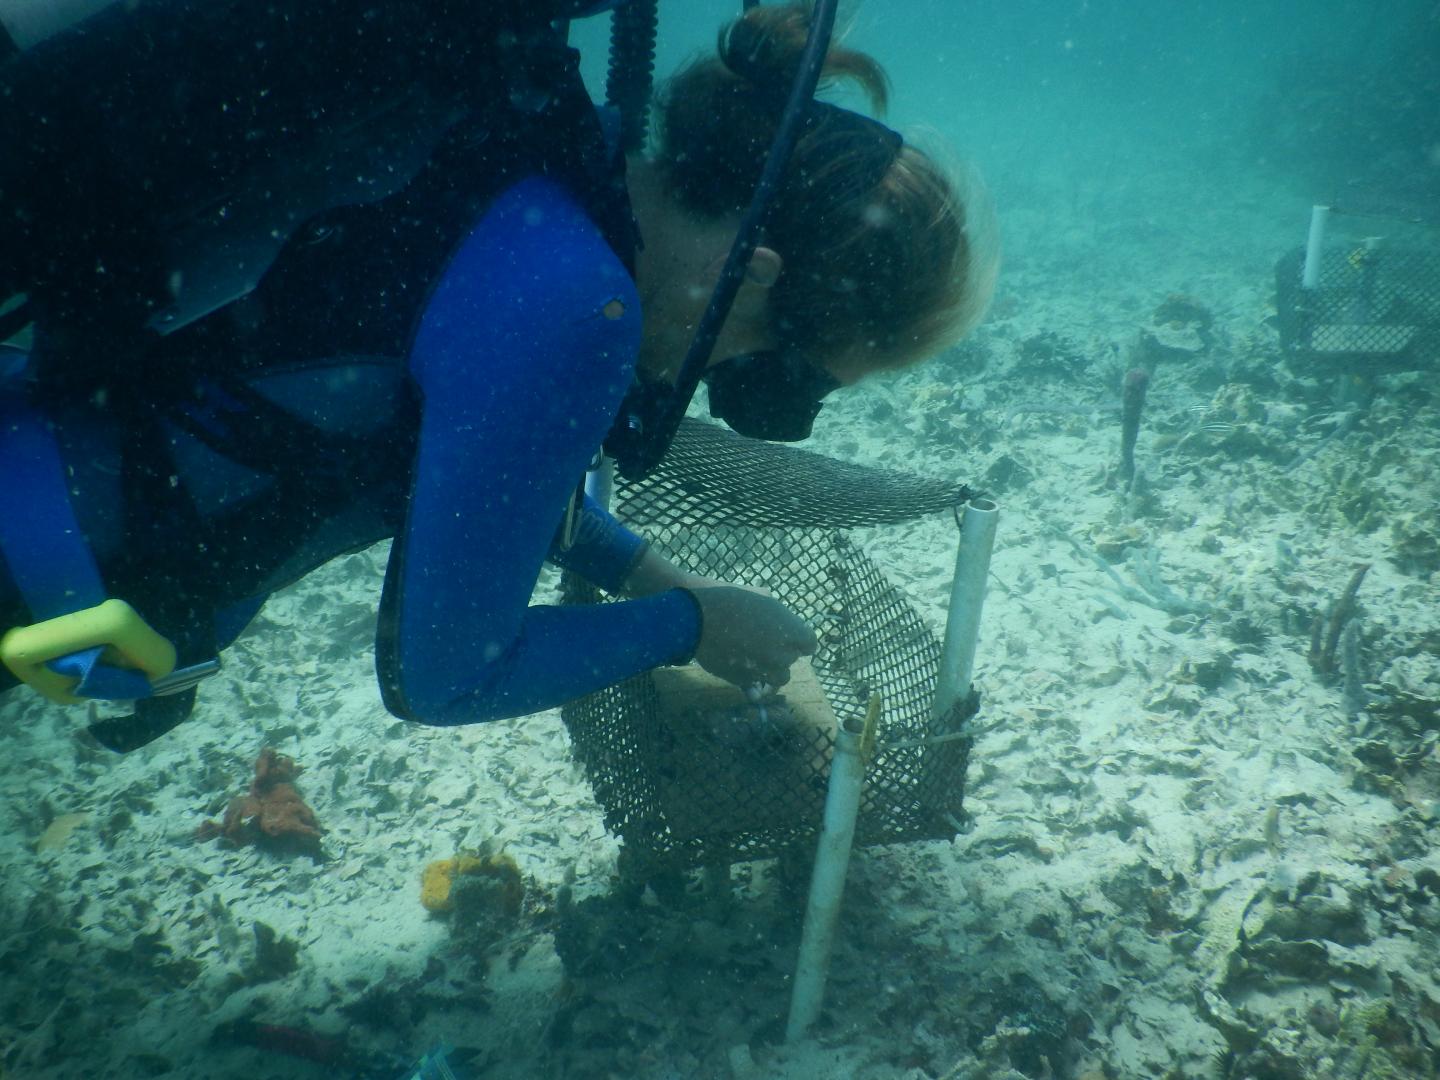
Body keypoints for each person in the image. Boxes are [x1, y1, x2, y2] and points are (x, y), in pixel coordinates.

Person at [0, 2, 998, 747]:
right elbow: (449, 677)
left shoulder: (554, 164)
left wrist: (647, 572)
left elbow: (473, 469)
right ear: (757, 279)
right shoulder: (583, 313)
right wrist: (688, 625)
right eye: (771, 389)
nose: (716, 392)